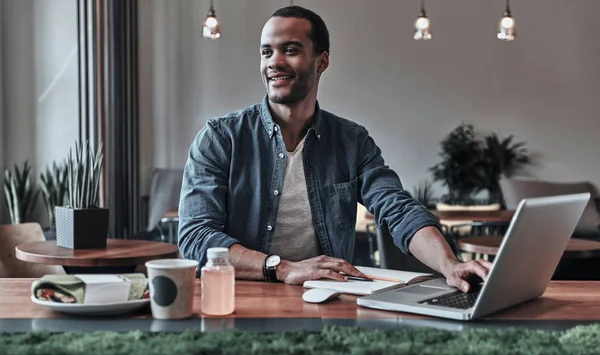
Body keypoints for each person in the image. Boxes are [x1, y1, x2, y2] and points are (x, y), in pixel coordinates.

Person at [178, 5, 491, 292]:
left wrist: (450, 265)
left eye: (290, 50)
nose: (274, 62)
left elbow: (398, 209)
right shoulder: (220, 138)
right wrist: (283, 268)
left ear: (322, 61)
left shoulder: (352, 141)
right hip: (241, 297)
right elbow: (195, 236)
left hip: (328, 296)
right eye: (266, 52)